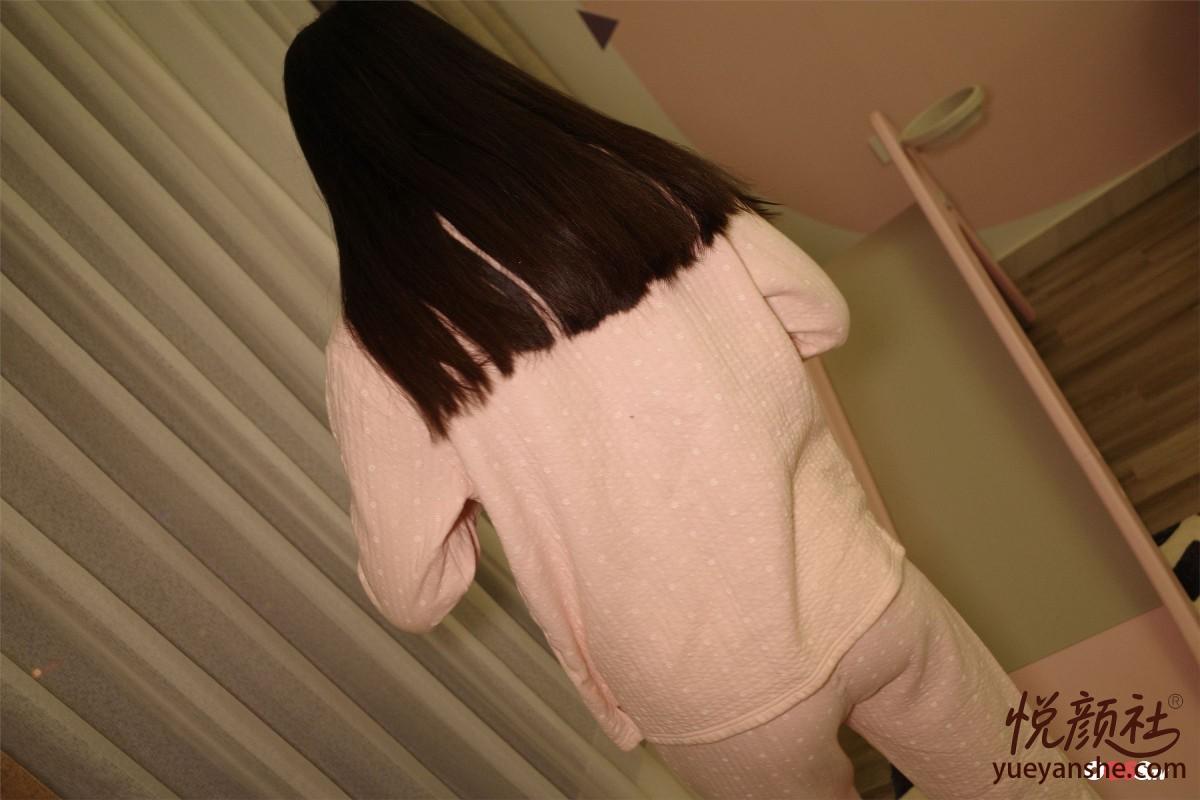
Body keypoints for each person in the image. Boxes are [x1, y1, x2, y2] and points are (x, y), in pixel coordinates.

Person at [284, 3, 1103, 798]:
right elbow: (822, 314)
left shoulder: (378, 344)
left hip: (718, 707)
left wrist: (491, 478)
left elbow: (413, 592)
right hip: (861, 595)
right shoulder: (635, 178)